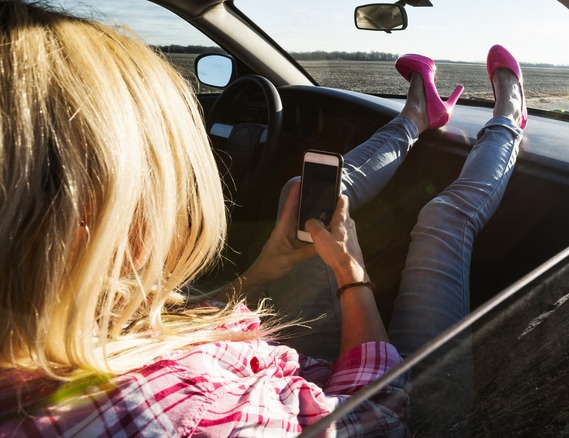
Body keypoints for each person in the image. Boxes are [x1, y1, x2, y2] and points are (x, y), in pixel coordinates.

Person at [0, 1, 526, 436]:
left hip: (275, 362)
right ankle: (508, 123)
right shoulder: (177, 418)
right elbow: (381, 420)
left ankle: (415, 117)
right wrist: (353, 277)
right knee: (443, 220)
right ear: (87, 220)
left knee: (306, 195)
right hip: (396, 407)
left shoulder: (45, 314)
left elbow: (145, 327)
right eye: (163, 170)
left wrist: (262, 273)